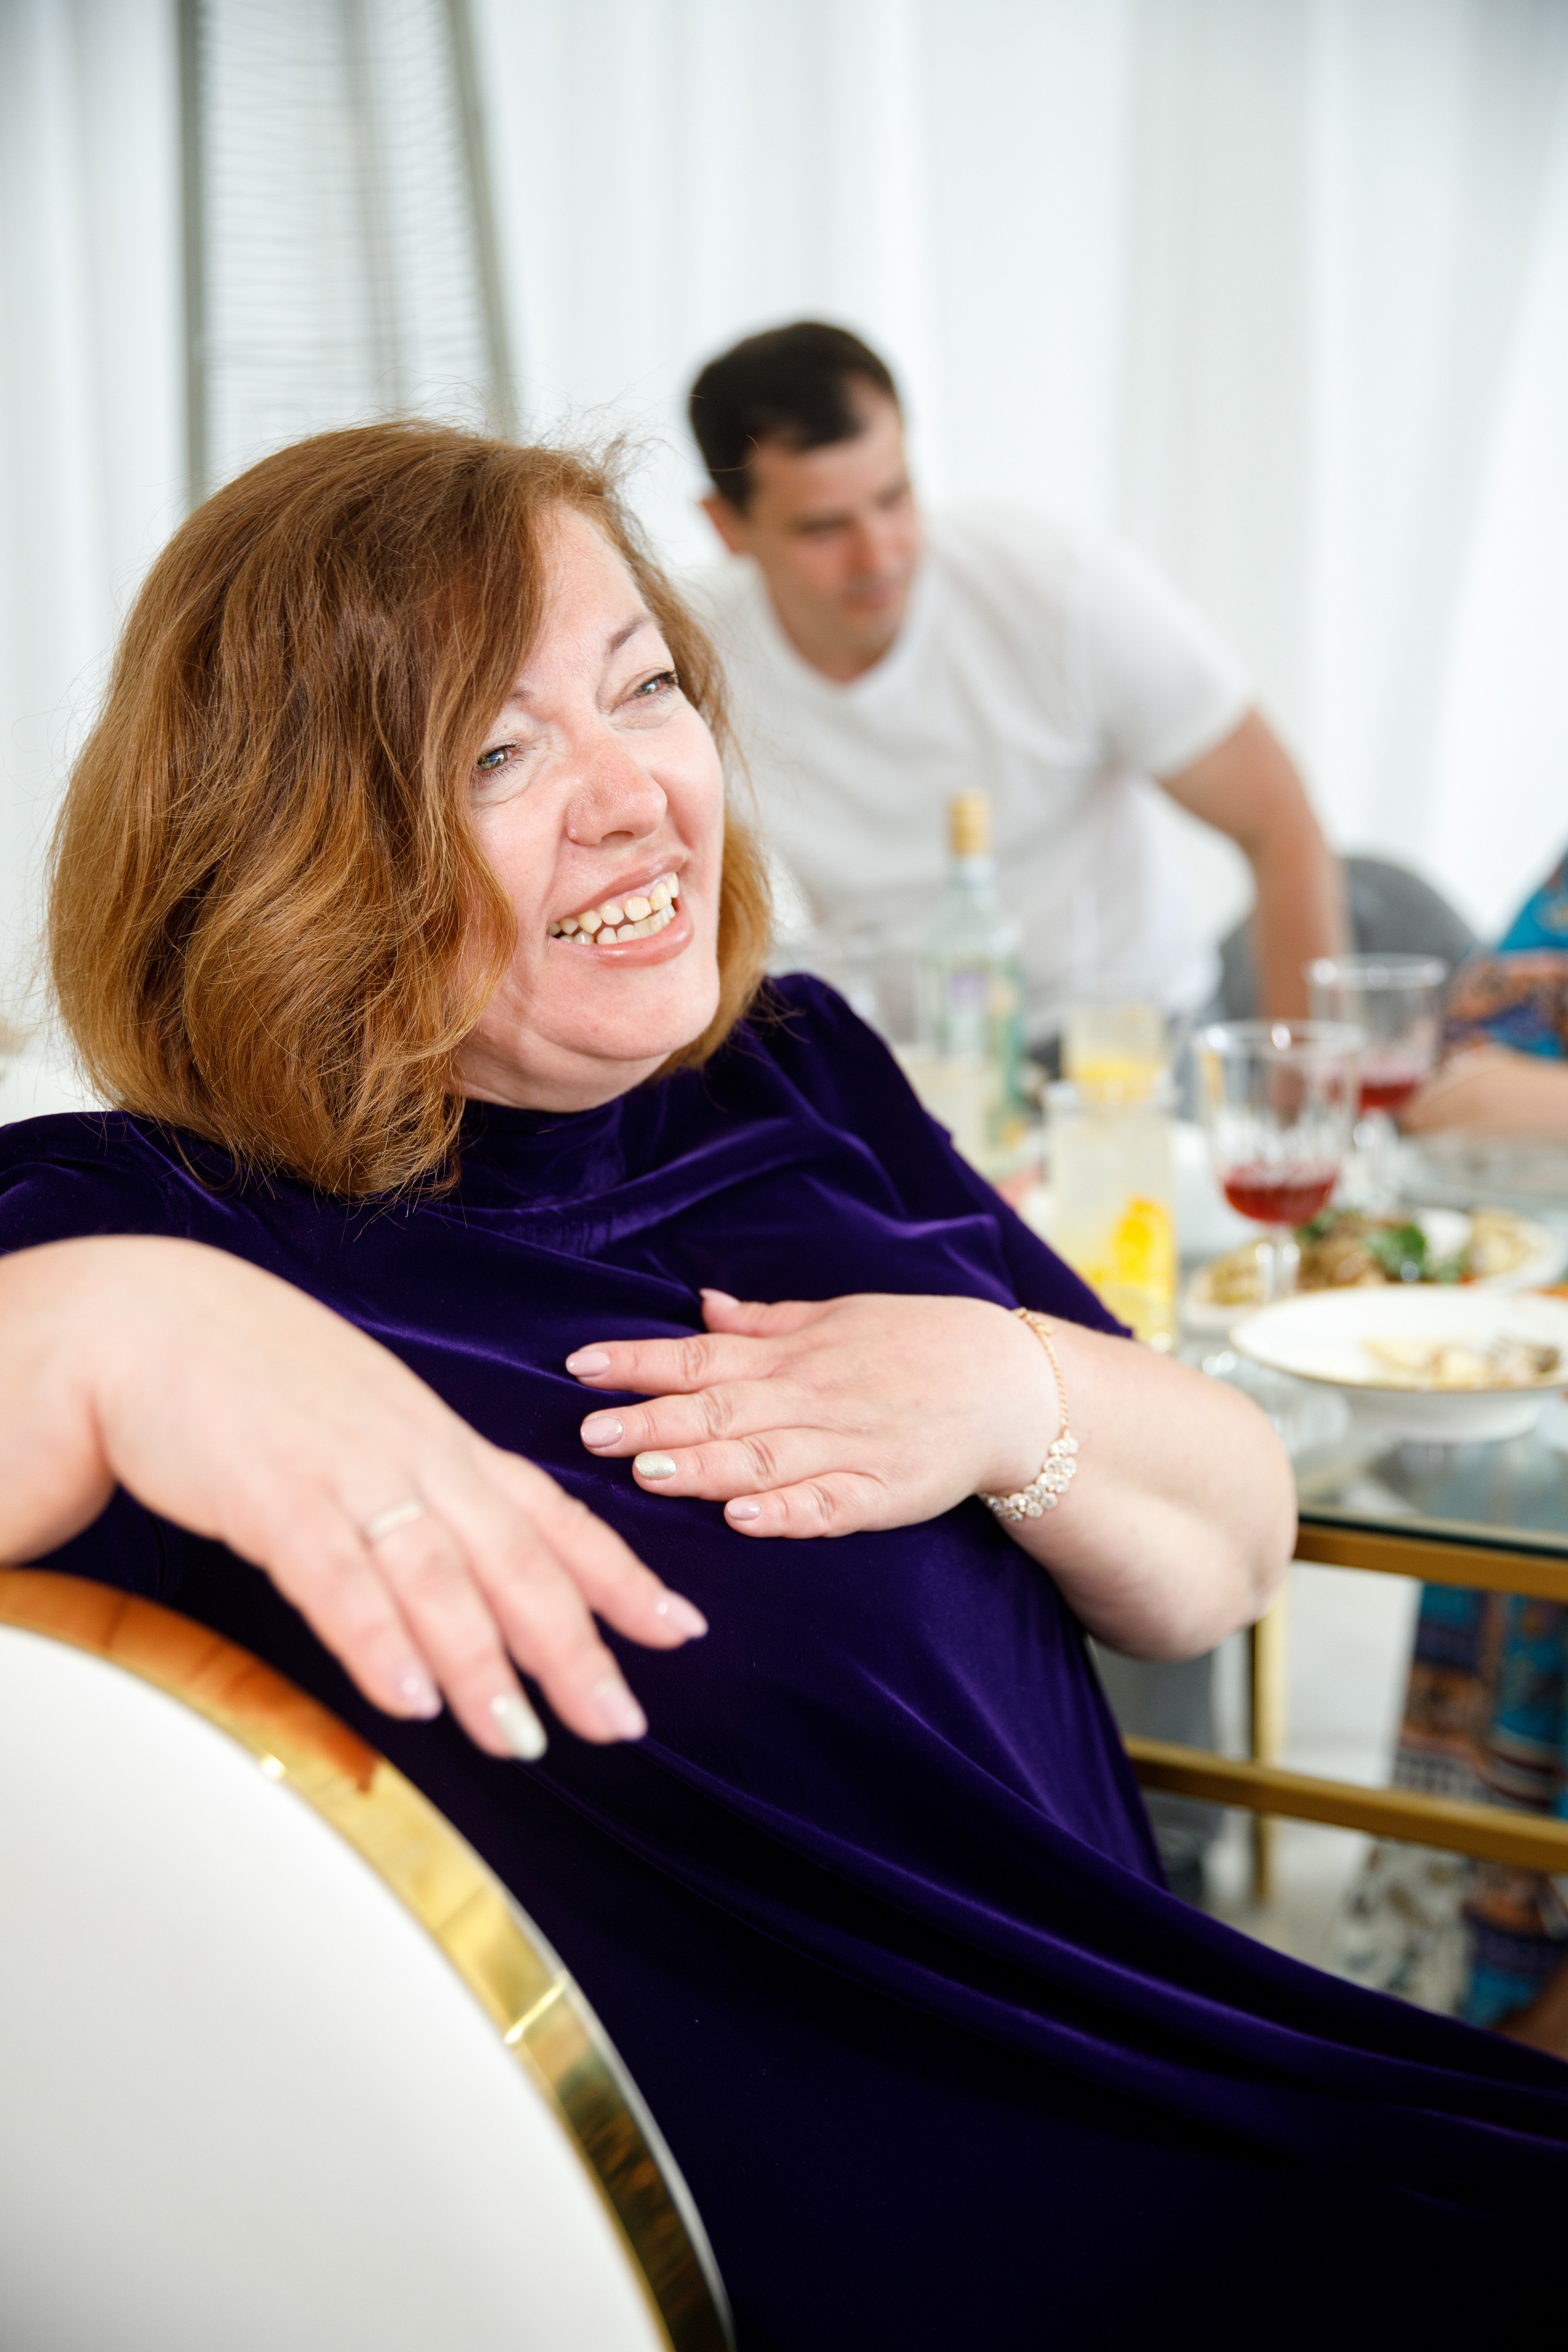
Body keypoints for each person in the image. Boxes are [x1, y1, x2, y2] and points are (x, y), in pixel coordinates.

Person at [2, 423, 1563, 2346]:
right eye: (496, 754)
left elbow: (1228, 1553)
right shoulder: (132, 1217)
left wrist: (1002, 1386)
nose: (636, 796)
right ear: (290, 839)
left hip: (1207, 2082)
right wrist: (122, 1328)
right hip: (878, 2262)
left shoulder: (794, 1071)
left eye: (644, 688)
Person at [686, 320, 1343, 1034]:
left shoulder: (1062, 589)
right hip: (909, 1061)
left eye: (894, 497)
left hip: (1126, 1042)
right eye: (822, 528)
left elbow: (1281, 825)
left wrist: (1298, 1085)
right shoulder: (684, 660)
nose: (878, 556)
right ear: (727, 526)